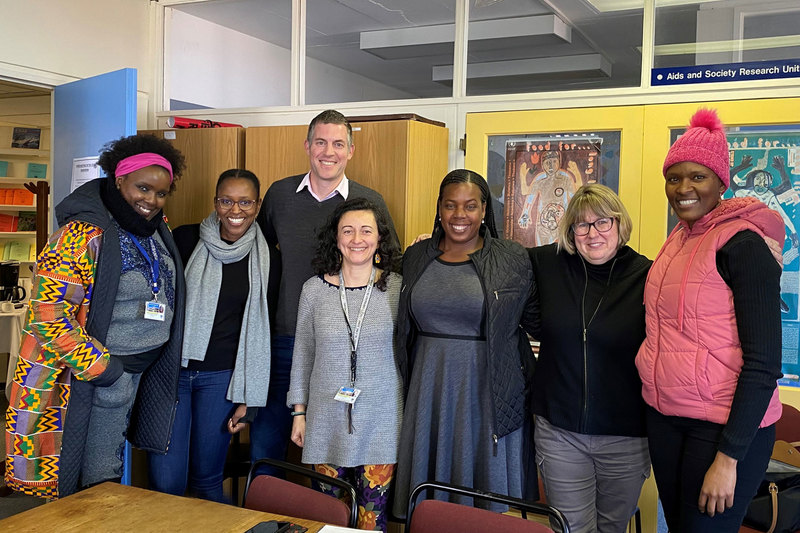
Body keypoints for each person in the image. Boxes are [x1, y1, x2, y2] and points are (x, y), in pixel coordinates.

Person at [4, 134, 187, 498]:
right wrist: (106, 372)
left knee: (110, 474)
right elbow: (47, 317)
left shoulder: (154, 230)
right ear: (119, 180)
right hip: (92, 378)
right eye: (142, 188)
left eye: (161, 192)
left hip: (138, 374)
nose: (151, 200)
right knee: (89, 484)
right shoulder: (78, 236)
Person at [636, 108, 784, 532]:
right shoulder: (679, 240)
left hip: (723, 430)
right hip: (668, 420)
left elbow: (764, 362)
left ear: (722, 182)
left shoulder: (743, 244)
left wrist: (729, 457)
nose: (683, 188)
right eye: (674, 177)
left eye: (697, 177)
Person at [254, 109, 397, 472]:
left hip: (345, 345)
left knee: (332, 449)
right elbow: (257, 253)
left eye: (337, 144)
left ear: (351, 150)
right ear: (307, 146)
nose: (328, 151)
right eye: (320, 142)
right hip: (282, 339)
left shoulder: (369, 202)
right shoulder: (280, 195)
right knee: (268, 448)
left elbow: (390, 266)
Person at [392, 169, 535, 517]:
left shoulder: (511, 258)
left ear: (485, 209)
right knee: (431, 502)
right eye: (451, 205)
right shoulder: (415, 257)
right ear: (439, 209)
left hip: (488, 389)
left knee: (486, 502)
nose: (460, 215)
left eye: (470, 206)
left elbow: (537, 318)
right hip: (428, 386)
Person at [524, 183, 651, 533]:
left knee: (612, 529)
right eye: (582, 225)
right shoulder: (546, 264)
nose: (592, 233)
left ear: (619, 224)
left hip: (626, 436)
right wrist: (436, 243)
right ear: (570, 231)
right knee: (571, 529)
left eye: (602, 223)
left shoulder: (649, 275)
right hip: (559, 431)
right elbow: (492, 257)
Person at [147, 169, 271, 502]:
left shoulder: (268, 256)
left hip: (221, 379)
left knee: (206, 481)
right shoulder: (186, 239)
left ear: (257, 206)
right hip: (172, 373)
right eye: (226, 201)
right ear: (215, 203)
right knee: (166, 485)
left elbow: (264, 329)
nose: (236, 210)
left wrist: (249, 397)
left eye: (245, 202)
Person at [287, 198, 402, 532]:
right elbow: (303, 354)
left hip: (382, 422)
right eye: (347, 230)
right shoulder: (313, 290)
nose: (357, 239)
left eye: (366, 230)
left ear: (379, 238)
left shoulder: (397, 287)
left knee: (371, 523)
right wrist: (298, 412)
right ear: (335, 238)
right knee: (328, 523)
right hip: (325, 422)